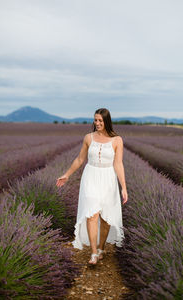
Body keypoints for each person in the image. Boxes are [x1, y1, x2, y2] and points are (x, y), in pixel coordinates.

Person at [56, 108, 128, 265]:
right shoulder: (88, 138)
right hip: (91, 177)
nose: (97, 123)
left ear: (107, 121)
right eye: (95, 120)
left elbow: (118, 164)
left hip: (108, 178)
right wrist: (67, 174)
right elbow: (80, 159)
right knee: (91, 214)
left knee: (106, 218)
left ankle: (101, 248)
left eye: (100, 120)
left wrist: (123, 187)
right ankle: (94, 253)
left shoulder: (117, 140)